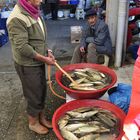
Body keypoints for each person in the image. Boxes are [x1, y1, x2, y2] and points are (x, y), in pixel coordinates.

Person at [7, 0, 56, 135]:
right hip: (27, 64)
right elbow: (23, 47)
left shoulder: (33, 11)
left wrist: (48, 51)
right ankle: (33, 123)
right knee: (33, 93)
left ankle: (41, 117)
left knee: (41, 89)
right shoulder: (17, 18)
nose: (42, 1)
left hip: (38, 59)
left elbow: (39, 38)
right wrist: (44, 59)